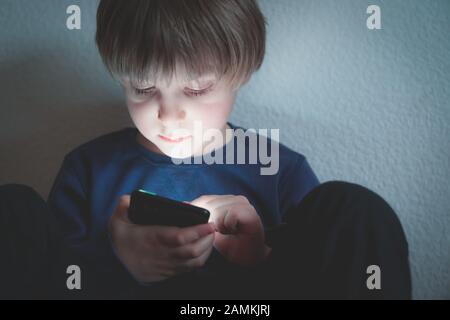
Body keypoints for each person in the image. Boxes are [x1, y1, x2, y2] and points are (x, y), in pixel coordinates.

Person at [0, 0, 411, 299]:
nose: (170, 114)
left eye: (196, 89)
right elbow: (52, 278)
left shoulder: (279, 169)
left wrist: (262, 256)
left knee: (354, 209)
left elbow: (318, 273)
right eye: (143, 89)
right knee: (12, 210)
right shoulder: (87, 169)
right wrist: (115, 259)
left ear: (243, 72)